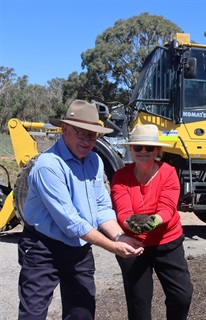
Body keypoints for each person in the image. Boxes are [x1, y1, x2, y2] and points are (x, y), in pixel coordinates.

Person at [17, 100, 144, 320]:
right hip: (43, 248)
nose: (87, 141)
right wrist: (113, 246)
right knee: (33, 313)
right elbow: (71, 223)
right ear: (65, 129)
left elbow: (102, 207)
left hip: (79, 247)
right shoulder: (48, 166)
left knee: (82, 311)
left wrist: (120, 236)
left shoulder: (94, 160)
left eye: (93, 135)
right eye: (82, 134)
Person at [111, 124, 193, 320]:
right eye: (138, 147)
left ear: (158, 150)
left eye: (149, 147)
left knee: (182, 297)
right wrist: (130, 222)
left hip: (167, 242)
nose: (143, 152)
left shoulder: (168, 172)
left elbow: (168, 206)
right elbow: (122, 210)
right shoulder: (120, 177)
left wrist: (156, 219)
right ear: (131, 149)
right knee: (139, 307)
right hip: (134, 246)